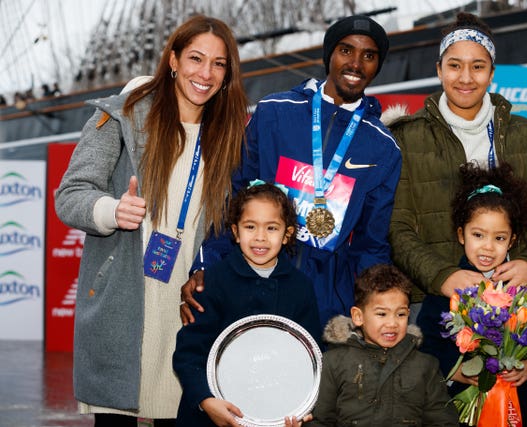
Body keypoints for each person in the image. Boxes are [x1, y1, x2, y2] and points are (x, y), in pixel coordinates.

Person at [54, 15, 247, 426]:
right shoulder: (121, 115)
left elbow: (229, 223)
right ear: (173, 59)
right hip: (124, 304)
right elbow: (70, 194)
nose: (205, 73)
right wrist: (111, 211)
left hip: (187, 309)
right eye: (196, 58)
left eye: (218, 63)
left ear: (228, 74)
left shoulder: (230, 135)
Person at [181, 15, 402, 328]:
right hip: (255, 280)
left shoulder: (383, 147)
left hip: (325, 304)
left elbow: (372, 243)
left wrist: (377, 307)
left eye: (369, 56)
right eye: (345, 50)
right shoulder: (275, 111)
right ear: (329, 56)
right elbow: (233, 197)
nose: (356, 64)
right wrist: (207, 264)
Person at [387, 11, 527, 317]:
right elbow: (397, 228)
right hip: (433, 302)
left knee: (520, 368)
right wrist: (442, 276)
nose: (466, 78)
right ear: (439, 69)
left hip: (516, 299)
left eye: (478, 66)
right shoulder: (406, 138)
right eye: (454, 65)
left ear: (492, 72)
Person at [423, 162, 527, 426]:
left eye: (500, 238)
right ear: (461, 234)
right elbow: (425, 345)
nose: (488, 247)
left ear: (513, 240)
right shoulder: (450, 288)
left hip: (526, 410)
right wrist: (456, 370)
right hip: (463, 412)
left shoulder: (525, 287)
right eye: (478, 235)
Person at [173, 181, 322, 427]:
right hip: (212, 416)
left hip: (274, 413)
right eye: (250, 226)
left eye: (272, 228)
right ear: (235, 232)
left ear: (287, 234)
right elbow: (188, 353)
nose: (260, 237)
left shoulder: (301, 287)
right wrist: (206, 401)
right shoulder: (213, 281)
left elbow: (311, 355)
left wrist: (301, 405)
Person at [307, 264, 458, 427]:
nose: (392, 323)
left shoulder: (426, 366)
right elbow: (320, 420)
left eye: (401, 314)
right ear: (358, 316)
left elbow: (444, 421)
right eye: (382, 314)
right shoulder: (333, 362)